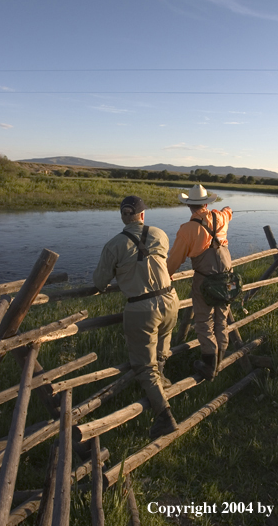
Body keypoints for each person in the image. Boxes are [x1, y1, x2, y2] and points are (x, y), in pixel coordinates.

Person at [93, 195, 179, 439]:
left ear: (122, 216)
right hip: (170, 299)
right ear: (143, 215)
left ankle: (164, 416)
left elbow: (99, 282)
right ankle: (162, 384)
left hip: (141, 308)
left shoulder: (114, 244)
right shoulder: (160, 234)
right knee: (161, 351)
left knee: (143, 365)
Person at [167, 185, 233, 381]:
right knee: (222, 318)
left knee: (204, 321)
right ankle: (220, 361)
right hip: (228, 278)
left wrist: (167, 274)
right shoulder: (220, 217)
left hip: (205, 280)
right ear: (206, 203)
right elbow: (227, 212)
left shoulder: (187, 230)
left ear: (189, 206)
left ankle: (209, 365)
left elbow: (175, 260)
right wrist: (227, 210)